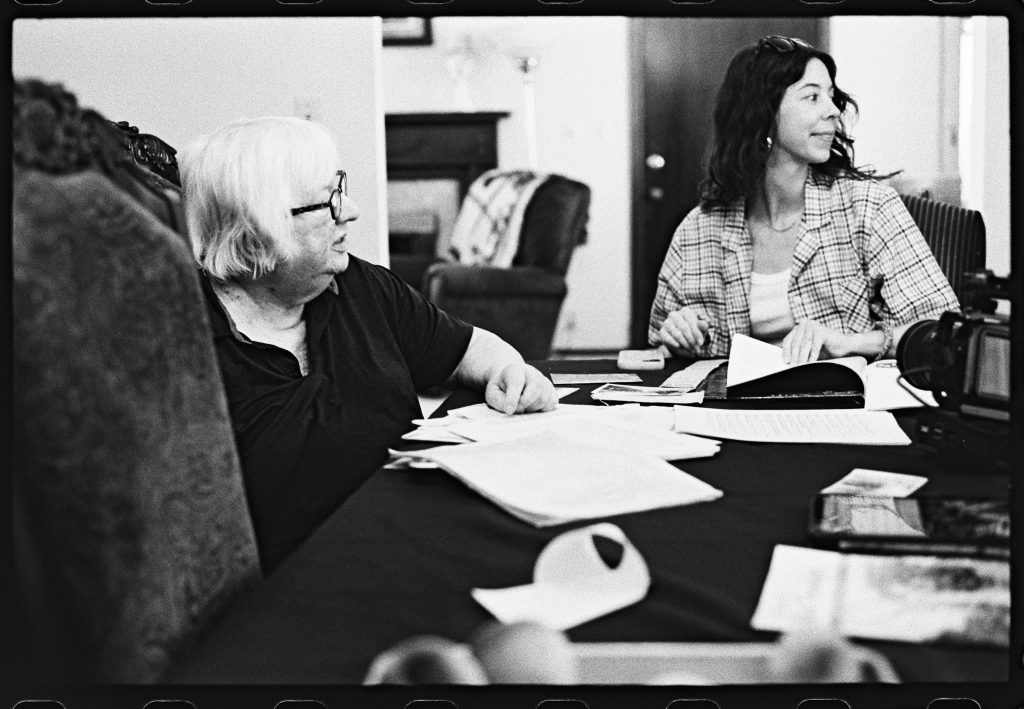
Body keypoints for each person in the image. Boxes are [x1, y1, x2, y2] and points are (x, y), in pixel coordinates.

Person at [180, 116, 558, 573]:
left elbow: (468, 347)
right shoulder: (185, 341)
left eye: (341, 188)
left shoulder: (361, 285)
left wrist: (507, 370)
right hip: (298, 587)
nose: (351, 211)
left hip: (419, 544)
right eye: (328, 202)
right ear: (257, 229)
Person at [649, 35, 959, 366]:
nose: (832, 111)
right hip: (738, 410)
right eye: (812, 97)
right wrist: (677, 336)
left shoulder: (868, 206)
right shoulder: (699, 228)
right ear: (762, 113)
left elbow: (943, 332)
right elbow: (659, 344)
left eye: (831, 96)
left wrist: (849, 343)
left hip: (840, 409)